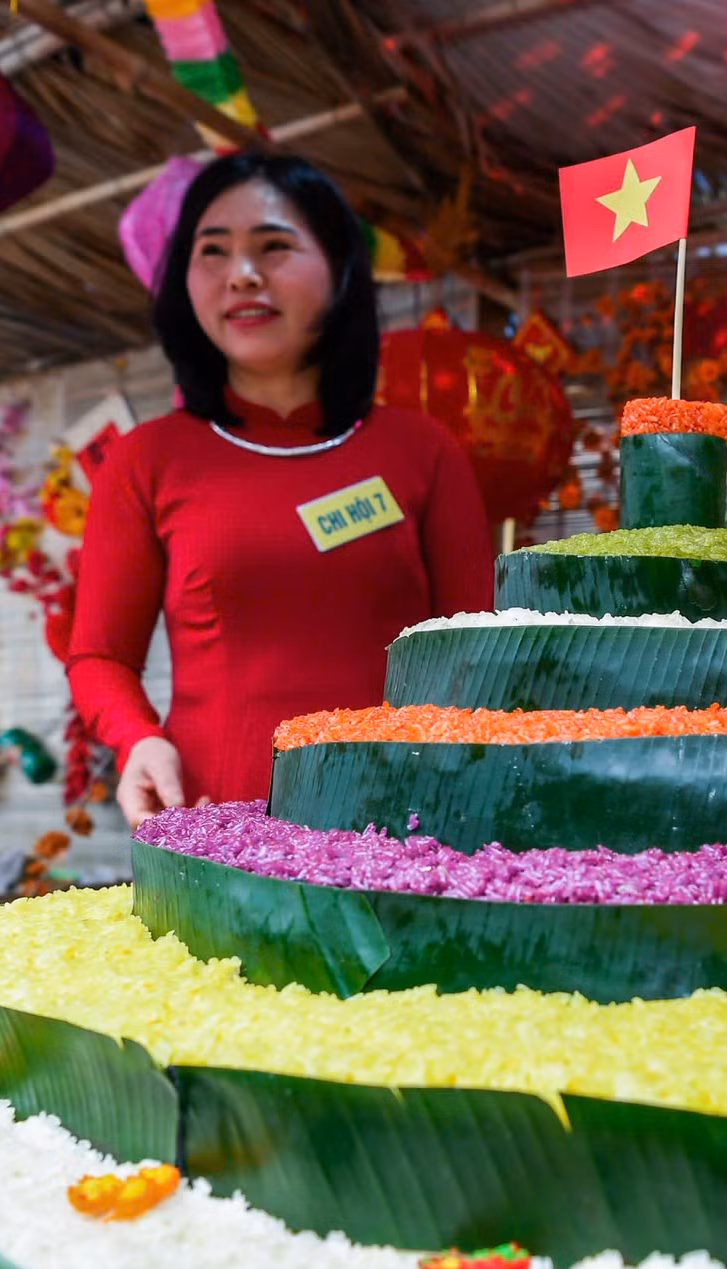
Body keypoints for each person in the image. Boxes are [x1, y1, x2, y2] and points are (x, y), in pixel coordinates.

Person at [69, 152, 494, 828]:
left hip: (403, 832)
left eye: (273, 247)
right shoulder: (146, 460)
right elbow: (99, 657)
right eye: (213, 252)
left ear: (341, 268)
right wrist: (137, 740)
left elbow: (476, 658)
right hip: (214, 834)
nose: (242, 274)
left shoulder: (424, 452)